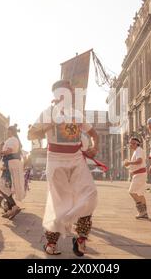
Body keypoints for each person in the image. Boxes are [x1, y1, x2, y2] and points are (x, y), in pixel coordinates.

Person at [28, 79, 100, 257]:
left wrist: (94, 147)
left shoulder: (77, 114)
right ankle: (52, 244)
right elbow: (30, 134)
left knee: (89, 195)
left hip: (76, 159)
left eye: (71, 92)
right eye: (65, 92)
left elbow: (94, 134)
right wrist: (51, 124)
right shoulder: (48, 112)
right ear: (57, 95)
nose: (69, 95)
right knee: (59, 202)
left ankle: (81, 238)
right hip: (56, 160)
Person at [0, 125, 26, 220]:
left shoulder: (12, 139)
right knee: (6, 187)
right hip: (9, 164)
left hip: (9, 165)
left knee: (2, 187)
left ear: (11, 132)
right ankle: (10, 209)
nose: (6, 133)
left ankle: (13, 206)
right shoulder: (13, 140)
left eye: (8, 131)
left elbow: (9, 151)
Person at [124, 137, 148, 219]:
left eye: (132, 143)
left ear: (136, 144)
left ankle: (142, 212)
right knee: (140, 194)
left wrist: (128, 162)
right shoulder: (137, 151)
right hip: (140, 174)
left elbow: (139, 161)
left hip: (139, 175)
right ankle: (145, 213)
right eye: (130, 143)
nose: (130, 144)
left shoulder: (138, 150)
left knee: (132, 192)